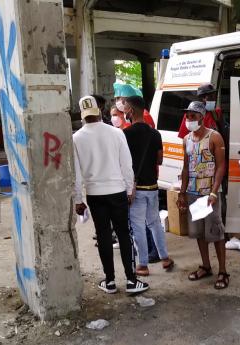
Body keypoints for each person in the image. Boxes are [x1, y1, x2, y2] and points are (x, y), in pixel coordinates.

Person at [73, 95, 149, 294]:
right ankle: (132, 281)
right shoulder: (116, 133)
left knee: (104, 236)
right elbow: (127, 165)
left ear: (82, 114)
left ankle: (110, 281)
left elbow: (76, 173)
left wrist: (78, 200)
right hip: (117, 192)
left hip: (94, 194)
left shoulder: (76, 138)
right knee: (124, 234)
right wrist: (130, 189)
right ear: (99, 111)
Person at [176, 101, 229, 289]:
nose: (189, 119)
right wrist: (182, 192)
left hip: (210, 194)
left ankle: (223, 271)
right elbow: (185, 167)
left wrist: (214, 191)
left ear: (201, 116)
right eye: (187, 116)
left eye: (192, 115)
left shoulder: (215, 137)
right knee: (198, 232)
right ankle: (206, 266)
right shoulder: (186, 139)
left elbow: (221, 166)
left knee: (215, 231)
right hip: (192, 192)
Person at [123, 96, 175, 276]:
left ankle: (142, 265)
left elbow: (123, 162)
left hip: (135, 188)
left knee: (137, 225)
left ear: (131, 111)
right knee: (154, 223)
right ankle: (165, 258)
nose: (124, 113)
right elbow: (159, 159)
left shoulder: (125, 134)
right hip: (152, 186)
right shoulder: (155, 133)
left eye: (126, 109)